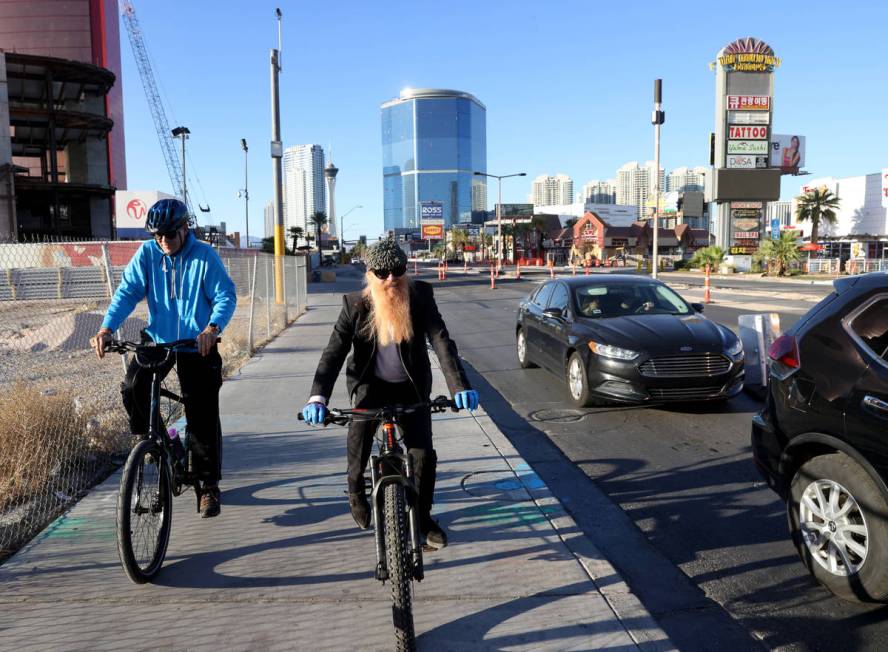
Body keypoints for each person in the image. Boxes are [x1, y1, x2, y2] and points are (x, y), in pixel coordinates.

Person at [301, 237, 479, 549]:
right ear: (370, 274)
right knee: (358, 441)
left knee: (423, 455)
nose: (391, 279)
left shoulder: (420, 295)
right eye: (382, 273)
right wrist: (318, 397)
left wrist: (459, 385)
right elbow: (333, 353)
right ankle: (356, 492)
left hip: (411, 388)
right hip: (371, 387)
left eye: (397, 270)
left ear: (405, 269)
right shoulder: (354, 305)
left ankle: (423, 519)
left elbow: (441, 340)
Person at [90, 199, 237, 518]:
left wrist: (212, 328)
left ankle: (207, 485)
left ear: (185, 229)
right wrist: (107, 327)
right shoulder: (148, 254)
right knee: (132, 388)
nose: (163, 241)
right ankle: (158, 441)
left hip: (196, 341)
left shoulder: (204, 256)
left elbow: (225, 295)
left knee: (201, 411)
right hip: (158, 337)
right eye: (157, 236)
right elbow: (127, 292)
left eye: (169, 235)